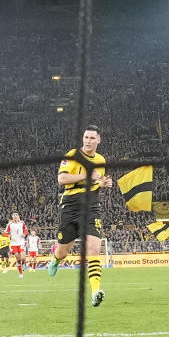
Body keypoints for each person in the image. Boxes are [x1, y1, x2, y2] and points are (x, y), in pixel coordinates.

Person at [46, 125, 113, 307]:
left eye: (92, 138)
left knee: (93, 250)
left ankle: (95, 291)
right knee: (63, 251)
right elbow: (61, 180)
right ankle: (55, 259)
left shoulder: (100, 159)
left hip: (91, 206)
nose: (88, 141)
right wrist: (86, 174)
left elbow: (97, 181)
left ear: (98, 140)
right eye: (86, 137)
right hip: (71, 206)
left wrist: (103, 182)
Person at [3, 212, 29, 278]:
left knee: (23, 258)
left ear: (18, 216)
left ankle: (22, 265)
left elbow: (26, 229)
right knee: (18, 258)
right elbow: (5, 233)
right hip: (14, 243)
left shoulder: (22, 223)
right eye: (14, 215)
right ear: (12, 216)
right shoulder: (10, 224)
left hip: (21, 242)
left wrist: (24, 234)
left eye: (16, 215)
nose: (15, 216)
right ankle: (21, 273)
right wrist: (8, 235)